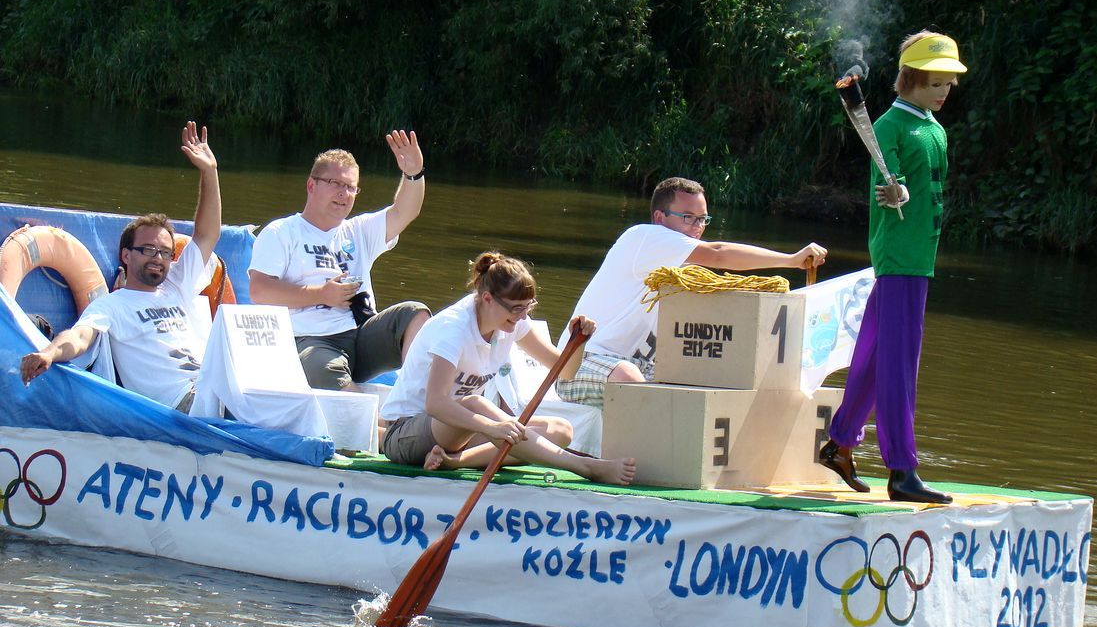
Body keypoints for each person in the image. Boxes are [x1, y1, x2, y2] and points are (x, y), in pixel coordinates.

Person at [818, 30, 967, 504]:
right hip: (900, 256)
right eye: (936, 83)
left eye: (948, 84)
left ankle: (838, 443)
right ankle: (902, 470)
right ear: (912, 78)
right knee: (901, 365)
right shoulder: (889, 126)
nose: (944, 92)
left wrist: (904, 190)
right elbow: (888, 186)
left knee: (879, 357)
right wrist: (895, 191)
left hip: (921, 256)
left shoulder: (934, 127)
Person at [556, 177, 827, 406]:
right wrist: (791, 260)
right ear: (659, 218)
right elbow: (718, 254)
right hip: (578, 364)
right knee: (629, 376)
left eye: (702, 219)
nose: (697, 227)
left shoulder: (686, 270)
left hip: (640, 369)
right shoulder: (643, 237)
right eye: (688, 218)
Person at [379, 252, 637, 486]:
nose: (523, 316)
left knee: (560, 430)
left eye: (529, 307)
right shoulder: (453, 329)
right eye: (516, 308)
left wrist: (577, 341)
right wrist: (490, 428)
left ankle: (455, 461)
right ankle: (587, 467)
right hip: (405, 434)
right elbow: (435, 403)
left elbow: (565, 373)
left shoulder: (513, 322)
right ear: (488, 299)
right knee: (475, 404)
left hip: (457, 432)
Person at [20, 122, 221, 411]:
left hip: (212, 385)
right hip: (184, 403)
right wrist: (49, 353)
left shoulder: (176, 285)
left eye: (165, 252)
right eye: (148, 249)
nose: (158, 258)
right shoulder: (111, 307)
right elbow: (78, 337)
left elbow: (207, 234)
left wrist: (210, 171)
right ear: (126, 255)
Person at [247, 131, 431, 392]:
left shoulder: (358, 230)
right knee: (323, 369)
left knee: (415, 314)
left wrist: (413, 173)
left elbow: (405, 211)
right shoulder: (281, 232)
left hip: (361, 335)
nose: (344, 193)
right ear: (312, 185)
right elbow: (260, 290)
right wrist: (322, 294)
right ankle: (382, 428)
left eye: (351, 187)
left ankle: (412, 400)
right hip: (312, 340)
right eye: (336, 183)